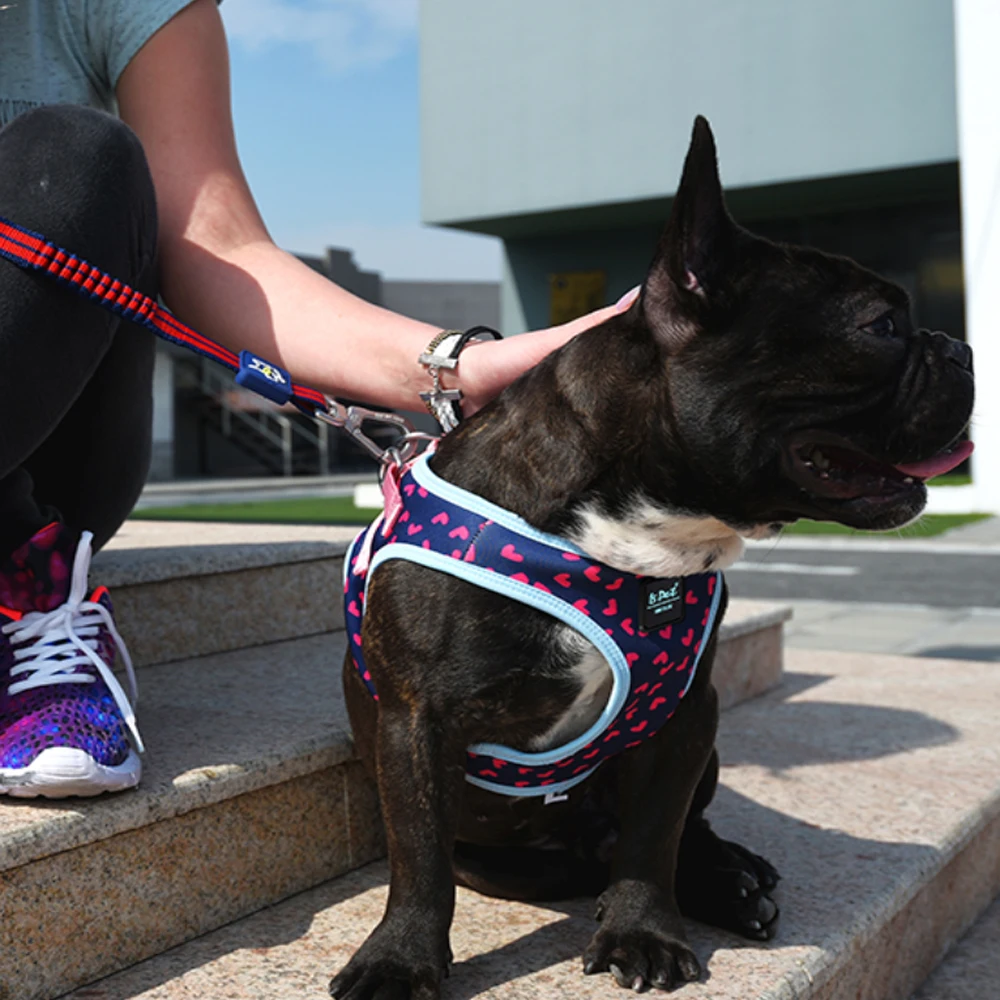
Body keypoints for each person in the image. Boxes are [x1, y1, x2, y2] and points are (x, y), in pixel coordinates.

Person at [0, 0, 636, 798]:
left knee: (77, 153)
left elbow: (219, 245)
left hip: (46, 444)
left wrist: (455, 366)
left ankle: (28, 586)